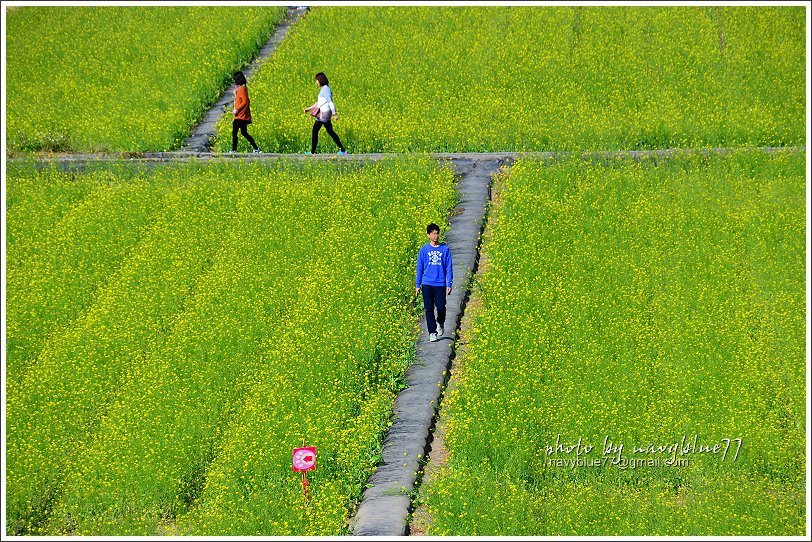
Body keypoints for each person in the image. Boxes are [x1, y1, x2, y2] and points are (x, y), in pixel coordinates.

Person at [415, 223, 453, 342]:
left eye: (437, 233)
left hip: (440, 283)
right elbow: (420, 267)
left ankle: (440, 322)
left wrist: (449, 283)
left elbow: (449, 267)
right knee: (429, 308)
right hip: (427, 283)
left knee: (441, 307)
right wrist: (418, 284)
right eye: (433, 233)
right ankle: (432, 332)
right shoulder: (424, 249)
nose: (436, 236)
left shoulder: (445, 249)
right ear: (428, 235)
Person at [304, 72, 347, 155]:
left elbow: (330, 102)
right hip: (325, 114)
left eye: (317, 80)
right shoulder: (324, 89)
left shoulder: (326, 90)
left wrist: (335, 114)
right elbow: (319, 103)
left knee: (315, 131)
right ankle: (342, 150)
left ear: (320, 80)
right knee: (330, 131)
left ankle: (312, 152)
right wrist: (308, 109)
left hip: (323, 115)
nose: (316, 82)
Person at [231, 71, 260, 153]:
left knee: (234, 133)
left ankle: (233, 150)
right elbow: (240, 100)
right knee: (244, 133)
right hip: (241, 115)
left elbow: (245, 101)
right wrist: (236, 93)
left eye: (235, 80)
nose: (234, 82)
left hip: (240, 116)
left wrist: (237, 110)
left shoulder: (242, 89)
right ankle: (256, 148)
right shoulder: (241, 89)